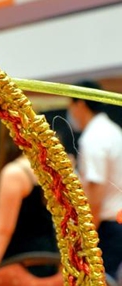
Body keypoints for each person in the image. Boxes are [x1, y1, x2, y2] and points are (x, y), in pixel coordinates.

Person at [68, 80, 122, 276]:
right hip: (115, 222)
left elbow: (95, 194)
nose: (71, 112)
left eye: (71, 106)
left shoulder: (94, 138)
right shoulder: (112, 131)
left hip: (106, 227)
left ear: (80, 104)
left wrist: (85, 239)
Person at [0, 142, 57, 274]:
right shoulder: (48, 166)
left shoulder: (15, 173)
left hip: (20, 262)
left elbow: (3, 230)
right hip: (48, 256)